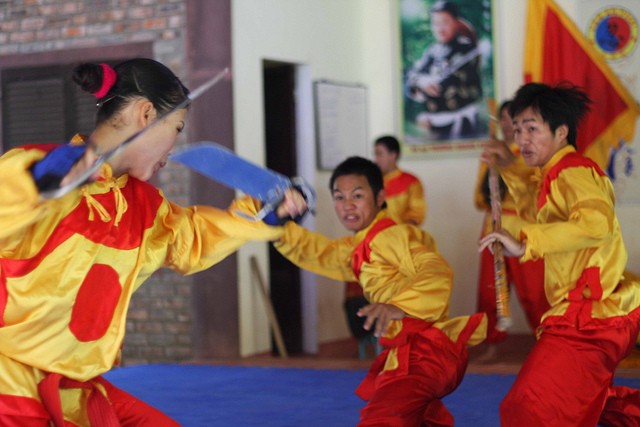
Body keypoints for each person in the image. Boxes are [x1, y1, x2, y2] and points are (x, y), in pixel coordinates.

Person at [0, 58, 306, 426]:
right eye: (177, 127)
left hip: (72, 387)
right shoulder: (39, 170)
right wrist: (37, 179)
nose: (174, 146)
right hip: (9, 381)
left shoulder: (145, 208)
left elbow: (194, 239)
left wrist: (266, 213)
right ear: (146, 113)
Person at [273, 156, 486, 426]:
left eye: (357, 195)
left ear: (380, 197)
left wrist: (398, 306)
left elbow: (436, 269)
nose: (347, 205)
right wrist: (276, 224)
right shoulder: (361, 244)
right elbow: (320, 253)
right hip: (408, 356)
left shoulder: (389, 236)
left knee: (381, 420)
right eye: (339, 197)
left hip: (426, 354)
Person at [479, 82, 640, 426]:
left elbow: (596, 223)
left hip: (591, 320)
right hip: (588, 316)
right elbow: (533, 206)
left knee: (529, 407)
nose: (522, 139)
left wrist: (526, 244)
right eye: (518, 129)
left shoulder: (574, 171)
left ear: (561, 131)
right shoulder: (553, 176)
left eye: (532, 129)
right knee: (589, 403)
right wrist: (508, 164)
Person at [473, 100, 547, 350]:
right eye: (503, 119)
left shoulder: (532, 154)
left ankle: (548, 343)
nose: (507, 124)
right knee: (489, 291)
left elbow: (537, 196)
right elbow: (478, 199)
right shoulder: (491, 154)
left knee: (534, 294)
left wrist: (510, 167)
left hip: (525, 230)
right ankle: (490, 345)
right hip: (494, 229)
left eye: (512, 120)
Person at [405, 0, 483, 139]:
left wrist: (424, 84)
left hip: (462, 123)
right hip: (434, 124)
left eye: (445, 22)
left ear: (456, 22)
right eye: (436, 23)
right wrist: (421, 81)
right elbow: (411, 74)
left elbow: (446, 81)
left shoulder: (467, 48)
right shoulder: (432, 51)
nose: (440, 28)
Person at [373, 135, 426, 226]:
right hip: (374, 237)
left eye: (379, 154)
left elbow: (416, 214)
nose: (376, 159)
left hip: (403, 236)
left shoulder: (411, 182)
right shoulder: (370, 182)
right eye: (375, 154)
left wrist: (400, 234)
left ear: (393, 155)